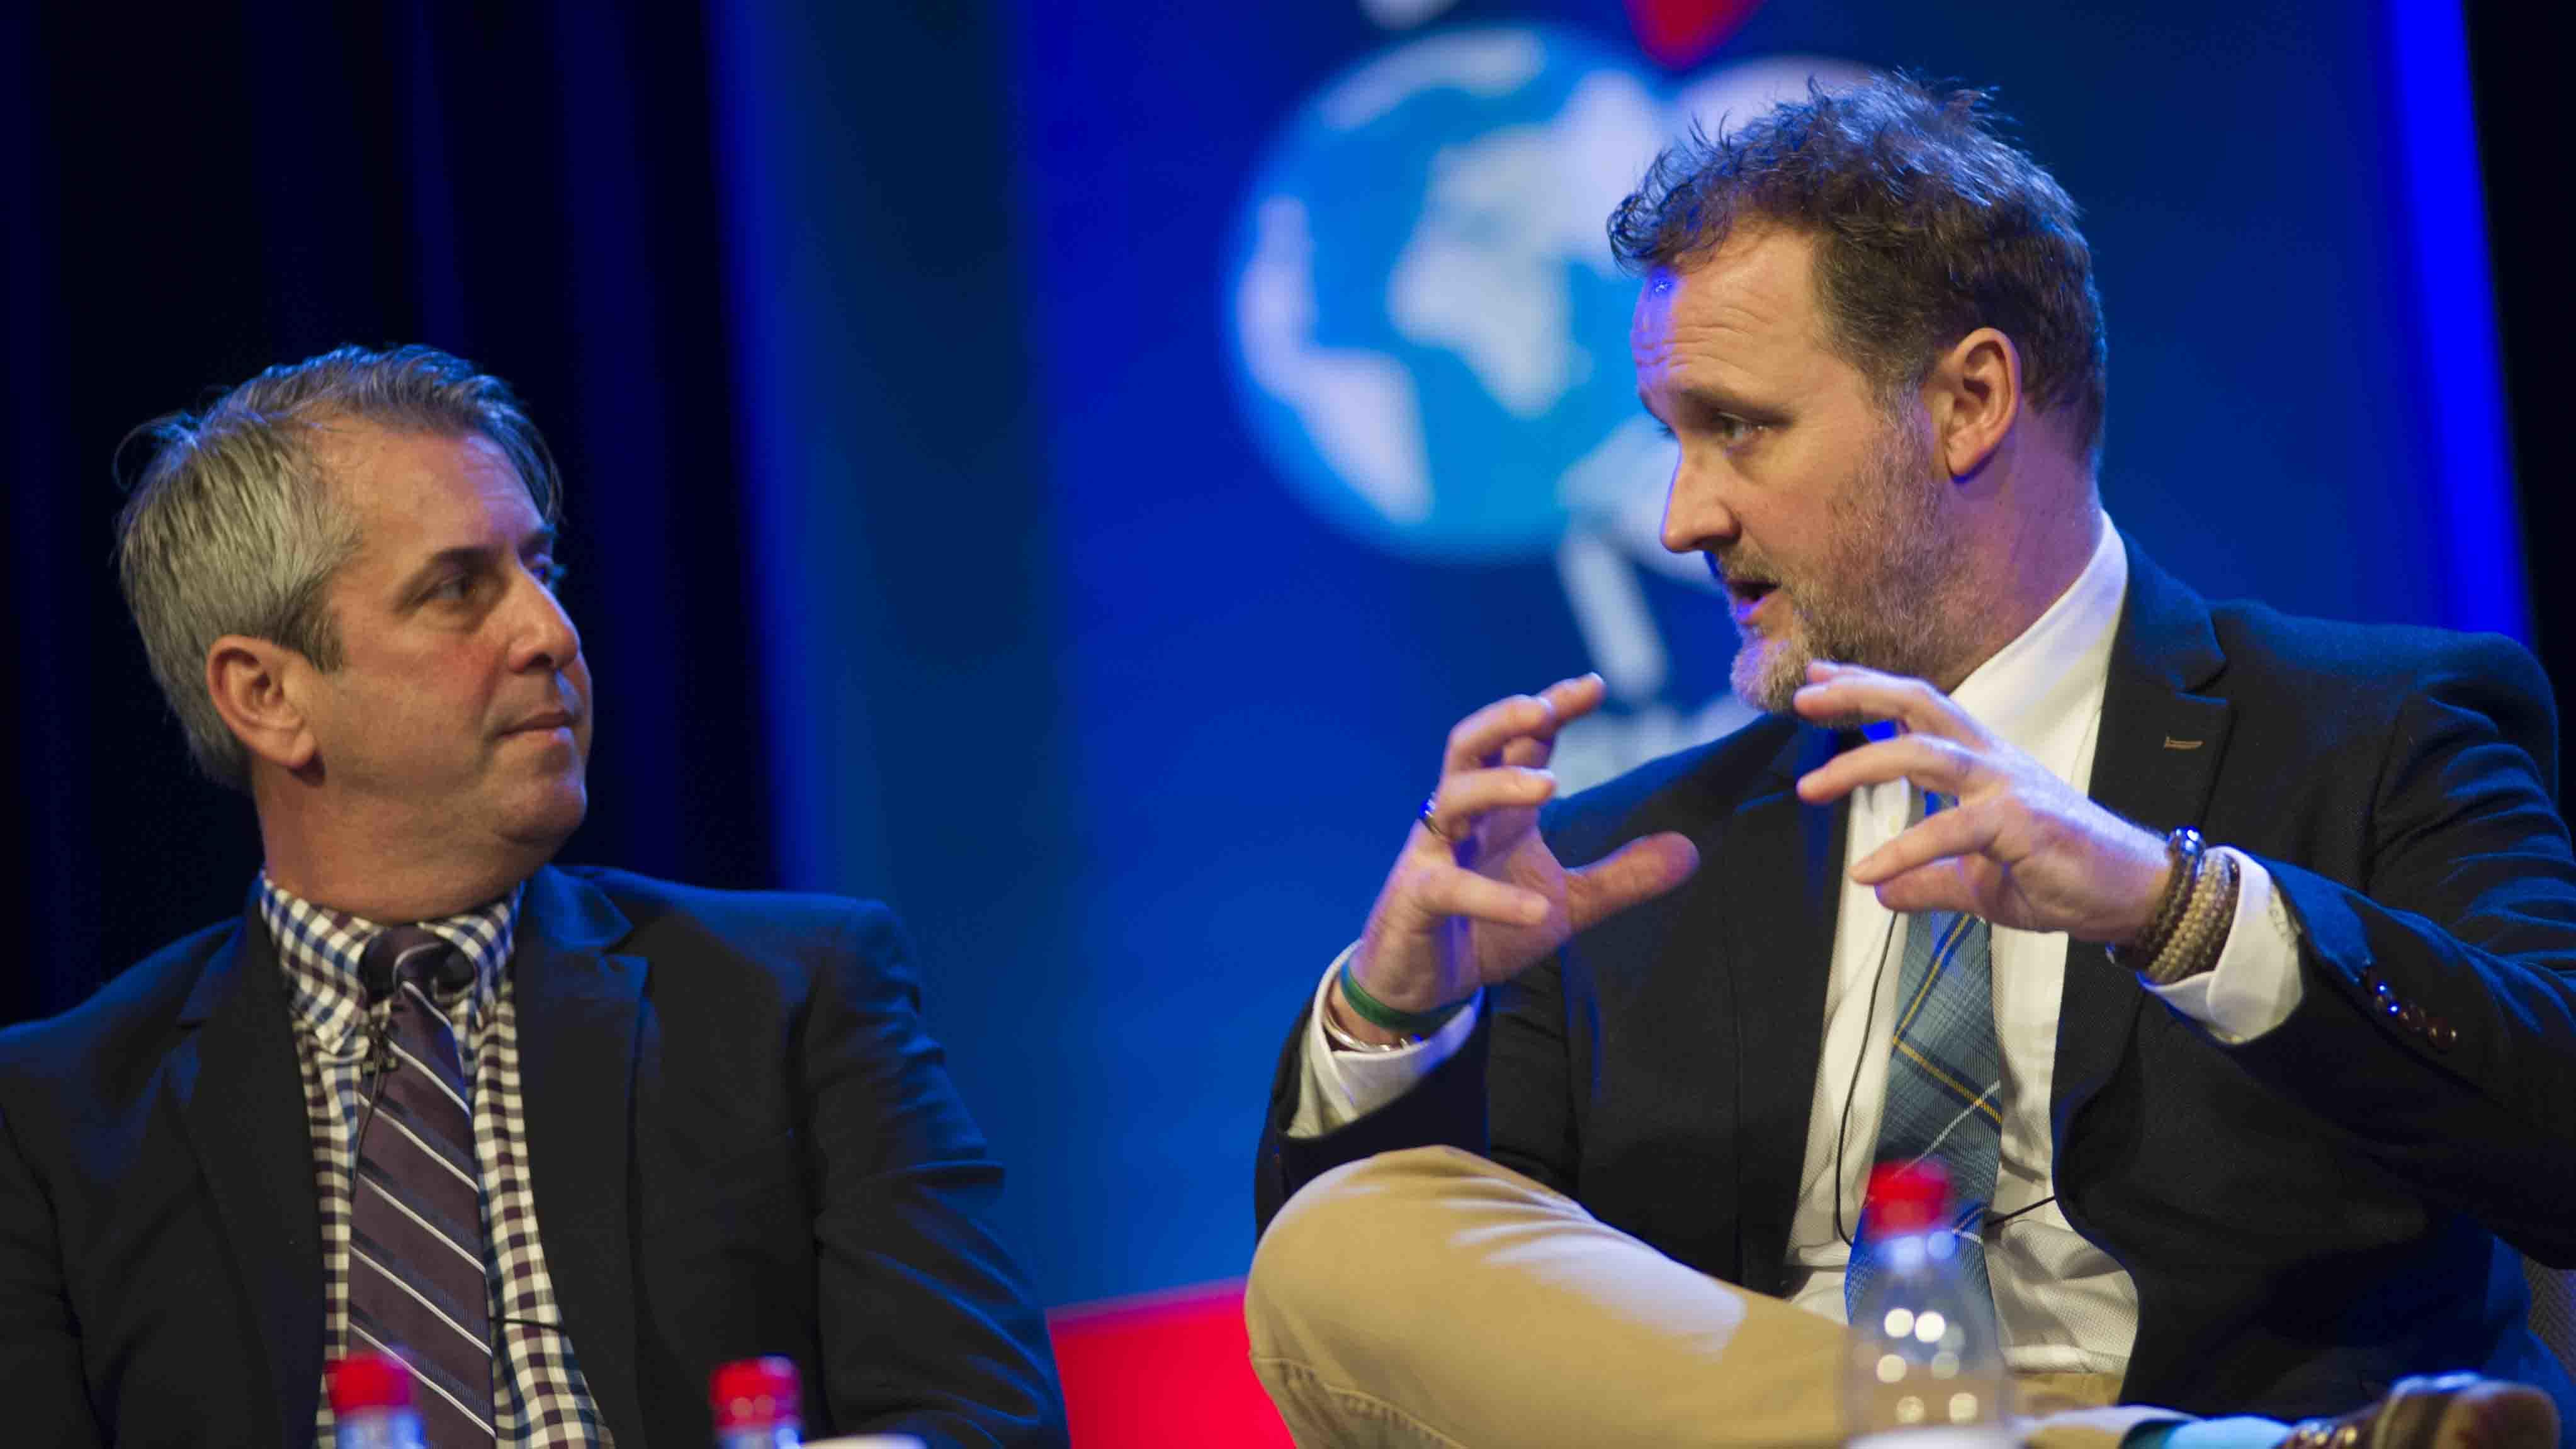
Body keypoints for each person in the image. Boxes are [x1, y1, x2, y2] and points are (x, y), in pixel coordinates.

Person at [1245, 75, 2576, 1449]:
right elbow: (1393, 1354)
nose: (1681, 514)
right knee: (1341, 1236)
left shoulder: (2372, 728)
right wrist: (1394, 1019)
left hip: (2252, 1387)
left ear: (1970, 401)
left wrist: (2168, 901)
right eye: (1673, 438)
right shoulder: (1614, 862)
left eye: (1738, 428)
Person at [0, 346, 1069, 1447]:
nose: (551, 634)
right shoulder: (54, 1120)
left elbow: (987, 1421)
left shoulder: (795, 1001)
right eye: (460, 589)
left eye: (541, 570)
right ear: (267, 695)